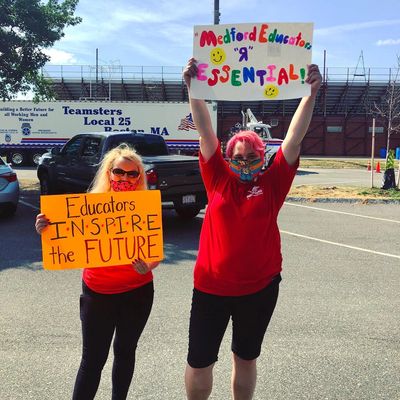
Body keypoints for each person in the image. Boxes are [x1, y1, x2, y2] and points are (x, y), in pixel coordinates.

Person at [183, 58, 322, 400]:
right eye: (238, 156)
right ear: (228, 158)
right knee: (200, 363)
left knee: (245, 359)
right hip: (211, 288)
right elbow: (204, 131)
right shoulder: (217, 177)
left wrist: (310, 94)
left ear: (263, 155)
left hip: (259, 289)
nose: (244, 163)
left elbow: (293, 138)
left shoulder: (273, 181)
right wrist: (193, 90)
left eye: (251, 156)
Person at [35, 144, 160, 400]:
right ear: (109, 173)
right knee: (92, 360)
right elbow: (64, 235)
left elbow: (154, 251)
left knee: (125, 352)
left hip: (137, 292)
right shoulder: (90, 205)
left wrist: (147, 265)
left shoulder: (146, 206)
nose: (124, 178)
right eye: (119, 172)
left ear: (139, 177)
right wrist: (44, 228)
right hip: (97, 293)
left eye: (131, 173)